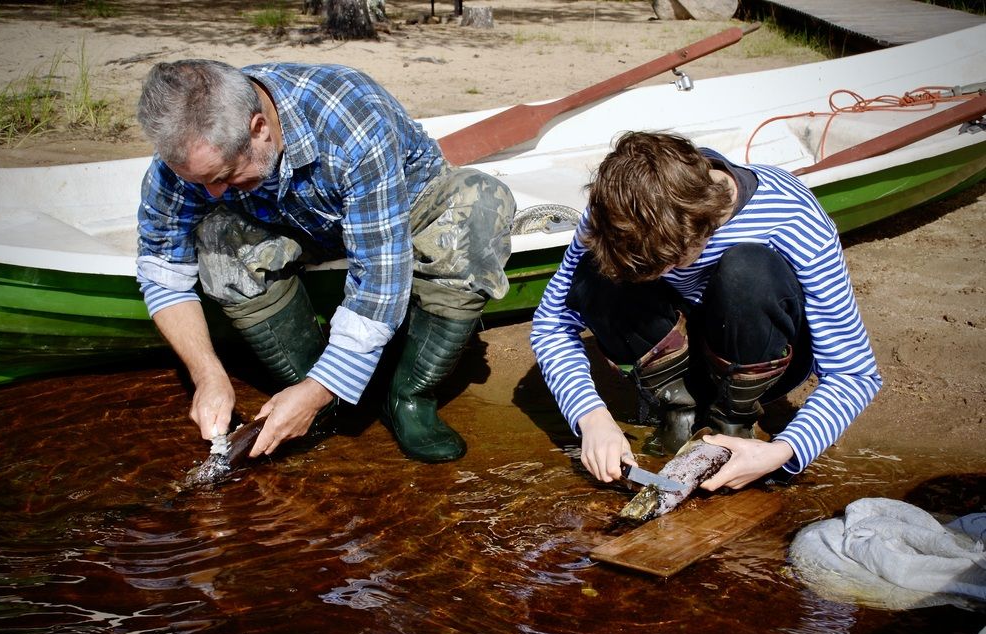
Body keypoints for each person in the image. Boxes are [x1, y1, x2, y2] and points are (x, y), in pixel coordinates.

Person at [135, 59, 514, 463]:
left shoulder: (353, 121)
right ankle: (320, 395)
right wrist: (207, 375)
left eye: (225, 177)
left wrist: (320, 389)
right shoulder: (189, 148)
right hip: (290, 224)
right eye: (200, 182)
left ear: (259, 128)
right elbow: (163, 272)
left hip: (401, 213)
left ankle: (408, 397)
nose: (211, 193)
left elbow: (379, 282)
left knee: (480, 206)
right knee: (214, 233)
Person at [530, 131, 882, 489]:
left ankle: (733, 419)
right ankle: (676, 411)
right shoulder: (619, 209)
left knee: (748, 271)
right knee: (595, 271)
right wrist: (590, 417)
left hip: (753, 347)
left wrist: (784, 451)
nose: (669, 275)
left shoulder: (792, 216)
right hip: (673, 349)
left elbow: (854, 373)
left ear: (706, 226)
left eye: (672, 263)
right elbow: (552, 324)